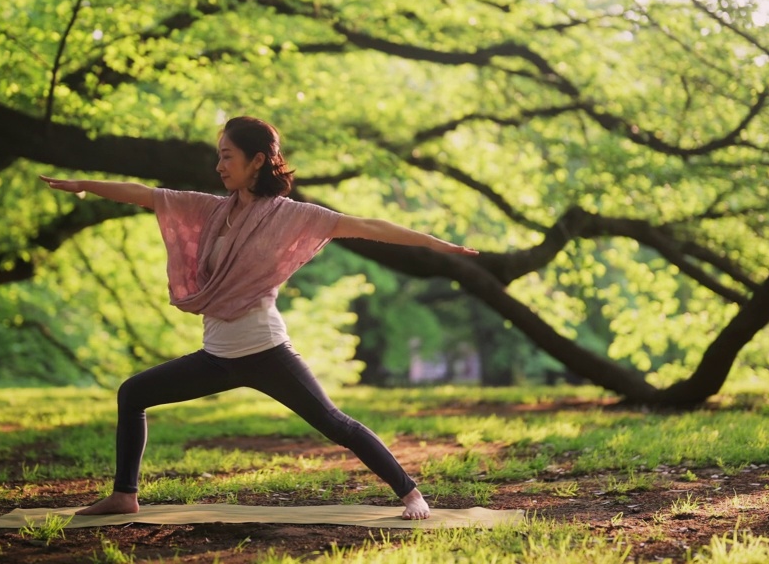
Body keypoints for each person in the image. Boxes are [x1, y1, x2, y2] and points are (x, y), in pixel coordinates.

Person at [40, 116, 478, 520]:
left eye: (227, 156)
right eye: (219, 156)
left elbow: (369, 226)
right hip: (217, 356)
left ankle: (411, 493)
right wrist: (83, 183)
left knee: (335, 423)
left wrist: (437, 244)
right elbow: (145, 195)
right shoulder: (212, 211)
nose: (219, 165)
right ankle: (124, 495)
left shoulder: (293, 217)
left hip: (266, 351)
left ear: (257, 161)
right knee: (133, 394)